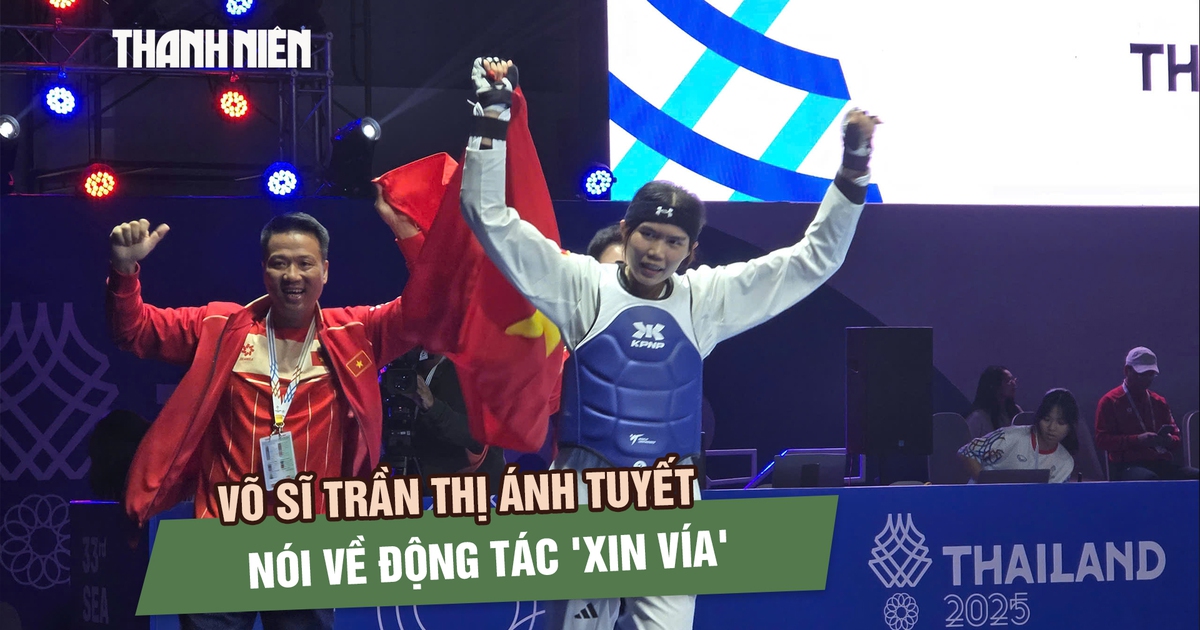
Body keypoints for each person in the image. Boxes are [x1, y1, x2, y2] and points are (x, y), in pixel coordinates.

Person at [460, 57, 878, 630]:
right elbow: (487, 215)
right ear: (626, 231)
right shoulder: (580, 284)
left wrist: (854, 169)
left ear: (691, 251)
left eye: (673, 241)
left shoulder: (706, 300)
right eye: (648, 234)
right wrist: (490, 116)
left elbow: (814, 260)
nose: (656, 251)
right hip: (584, 493)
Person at [107, 211, 420, 630]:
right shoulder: (219, 327)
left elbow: (425, 311)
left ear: (326, 271)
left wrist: (409, 237)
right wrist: (124, 269)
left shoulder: (356, 332)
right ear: (263, 270)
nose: (292, 275)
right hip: (216, 540)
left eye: (305, 263)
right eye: (279, 263)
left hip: (308, 546)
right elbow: (134, 330)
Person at [380, 347, 507, 493]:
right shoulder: (400, 371)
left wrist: (432, 405)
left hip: (475, 491)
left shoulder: (474, 372)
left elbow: (478, 436)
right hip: (419, 486)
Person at [1095, 347, 1198, 481]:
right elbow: (1101, 440)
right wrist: (1137, 440)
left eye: (1151, 374)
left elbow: (1177, 439)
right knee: (1149, 478)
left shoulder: (1159, 401)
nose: (1147, 379)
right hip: (1126, 465)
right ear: (1127, 370)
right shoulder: (1110, 401)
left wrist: (1168, 440)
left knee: (1195, 475)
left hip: (1159, 462)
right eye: (1141, 374)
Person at [958, 388, 1078, 483]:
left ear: (1070, 426)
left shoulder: (1065, 462)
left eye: (1061, 423)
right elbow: (967, 452)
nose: (1052, 428)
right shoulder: (1009, 437)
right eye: (1046, 419)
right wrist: (988, 488)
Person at [964, 366, 1022, 439]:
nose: (1013, 384)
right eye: (1007, 381)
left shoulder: (1016, 410)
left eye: (1013, 379)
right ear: (994, 385)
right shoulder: (978, 417)